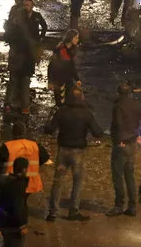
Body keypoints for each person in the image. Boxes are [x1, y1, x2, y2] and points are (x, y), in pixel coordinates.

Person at [0, 123, 49, 247]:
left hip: (11, 184)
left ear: (13, 133)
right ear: (25, 132)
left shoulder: (7, 147)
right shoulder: (34, 145)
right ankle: (18, 230)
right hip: (30, 184)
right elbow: (45, 158)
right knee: (21, 206)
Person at [44, 87, 103, 222]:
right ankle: (73, 211)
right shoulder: (86, 113)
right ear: (81, 98)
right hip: (78, 152)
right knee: (77, 182)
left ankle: (53, 212)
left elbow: (50, 129)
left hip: (63, 150)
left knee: (58, 181)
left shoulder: (61, 112)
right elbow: (97, 132)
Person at [106, 82, 141, 217]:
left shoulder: (118, 107)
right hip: (132, 143)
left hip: (121, 144)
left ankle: (118, 205)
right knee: (129, 175)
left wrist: (119, 141)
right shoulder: (136, 104)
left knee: (117, 175)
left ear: (118, 93)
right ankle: (132, 206)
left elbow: (118, 125)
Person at [4, 0, 47, 115]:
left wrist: (40, 38)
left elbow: (44, 26)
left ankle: (23, 106)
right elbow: (8, 33)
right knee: (15, 81)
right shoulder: (17, 19)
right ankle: (11, 104)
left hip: (25, 57)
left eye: (28, 5)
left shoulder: (35, 17)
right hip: (19, 56)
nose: (26, 7)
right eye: (25, 5)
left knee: (24, 81)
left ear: (32, 6)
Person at [0, 157, 29, 247]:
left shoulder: (5, 180)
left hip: (4, 222)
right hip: (14, 226)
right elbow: (17, 207)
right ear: (23, 170)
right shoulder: (19, 185)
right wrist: (22, 225)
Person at [47, 29, 81, 107]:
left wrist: (77, 79)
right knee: (60, 103)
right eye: (76, 38)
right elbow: (51, 66)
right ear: (71, 38)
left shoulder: (73, 50)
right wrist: (50, 81)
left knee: (69, 101)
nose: (77, 40)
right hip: (58, 80)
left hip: (68, 80)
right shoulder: (60, 49)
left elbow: (72, 66)